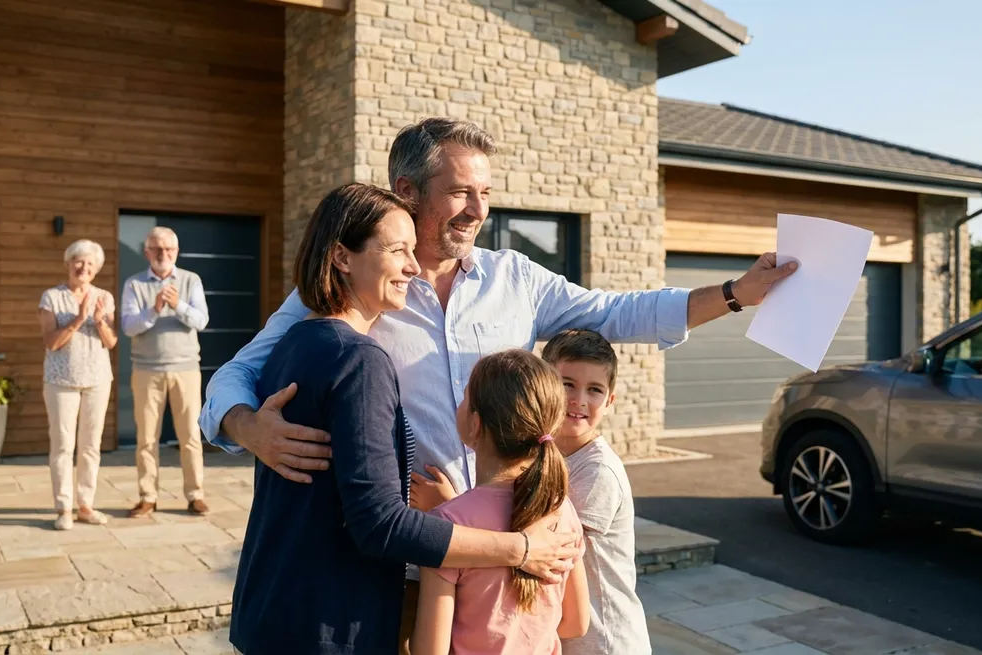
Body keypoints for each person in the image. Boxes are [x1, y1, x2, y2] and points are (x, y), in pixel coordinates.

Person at [200, 117, 795, 644]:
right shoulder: (357, 288)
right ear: (406, 191)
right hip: (405, 567)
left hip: (503, 563)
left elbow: (620, 312)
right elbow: (238, 372)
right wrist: (245, 425)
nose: (478, 210)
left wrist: (735, 295)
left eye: (485, 192)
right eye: (460, 191)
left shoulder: (516, 279)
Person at [230, 183, 580, 655]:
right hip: (326, 624)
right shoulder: (358, 359)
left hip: (273, 608)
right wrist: (519, 549)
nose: (414, 268)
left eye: (413, 251)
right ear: (341, 257)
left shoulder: (295, 344)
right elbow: (379, 524)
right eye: (397, 251)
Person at [411, 349, 590, 655]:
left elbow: (429, 651)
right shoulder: (562, 510)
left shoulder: (446, 527)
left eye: (466, 398)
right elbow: (575, 623)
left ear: (476, 424)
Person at [544, 329, 651, 655]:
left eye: (594, 390)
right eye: (567, 384)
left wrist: (453, 511)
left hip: (606, 643)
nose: (579, 400)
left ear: (610, 400)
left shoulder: (597, 471)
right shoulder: (546, 454)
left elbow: (547, 546)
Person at [120, 226, 210, 517]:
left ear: (176, 252)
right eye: (157, 249)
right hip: (146, 371)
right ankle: (148, 497)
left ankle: (195, 494)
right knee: (146, 438)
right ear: (147, 253)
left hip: (185, 369)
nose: (163, 254)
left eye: (169, 249)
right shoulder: (134, 285)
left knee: (190, 436)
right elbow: (128, 326)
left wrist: (177, 304)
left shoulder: (190, 280)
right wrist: (154, 309)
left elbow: (201, 320)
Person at [38, 239, 119, 531]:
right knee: (62, 445)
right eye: (78, 261)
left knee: (90, 446)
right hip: (61, 381)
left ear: (95, 270)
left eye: (89, 264)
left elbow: (111, 342)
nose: (83, 267)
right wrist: (78, 319)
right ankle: (63, 508)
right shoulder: (51, 297)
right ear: (68, 264)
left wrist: (98, 322)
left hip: (97, 380)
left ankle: (85, 505)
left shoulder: (104, 297)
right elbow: (51, 342)